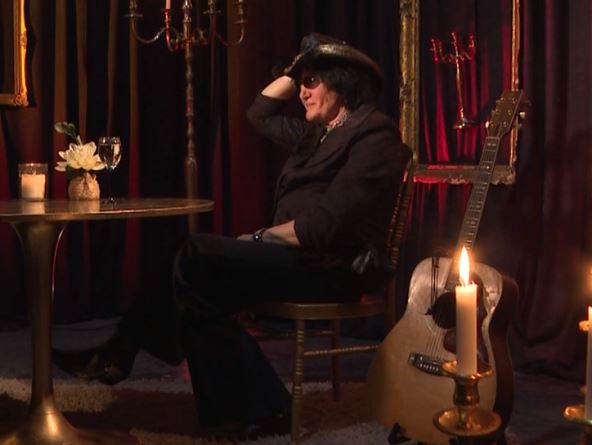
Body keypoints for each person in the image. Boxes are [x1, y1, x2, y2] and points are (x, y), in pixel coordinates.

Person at [52, 33, 412, 439]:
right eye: (300, 83)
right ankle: (261, 408)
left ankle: (120, 351)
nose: (301, 93)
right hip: (296, 259)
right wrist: (299, 70)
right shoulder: (317, 133)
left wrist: (257, 239)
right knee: (192, 290)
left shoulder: (374, 136)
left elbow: (323, 227)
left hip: (331, 268)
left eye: (311, 82)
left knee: (192, 253)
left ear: (341, 81)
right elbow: (259, 113)